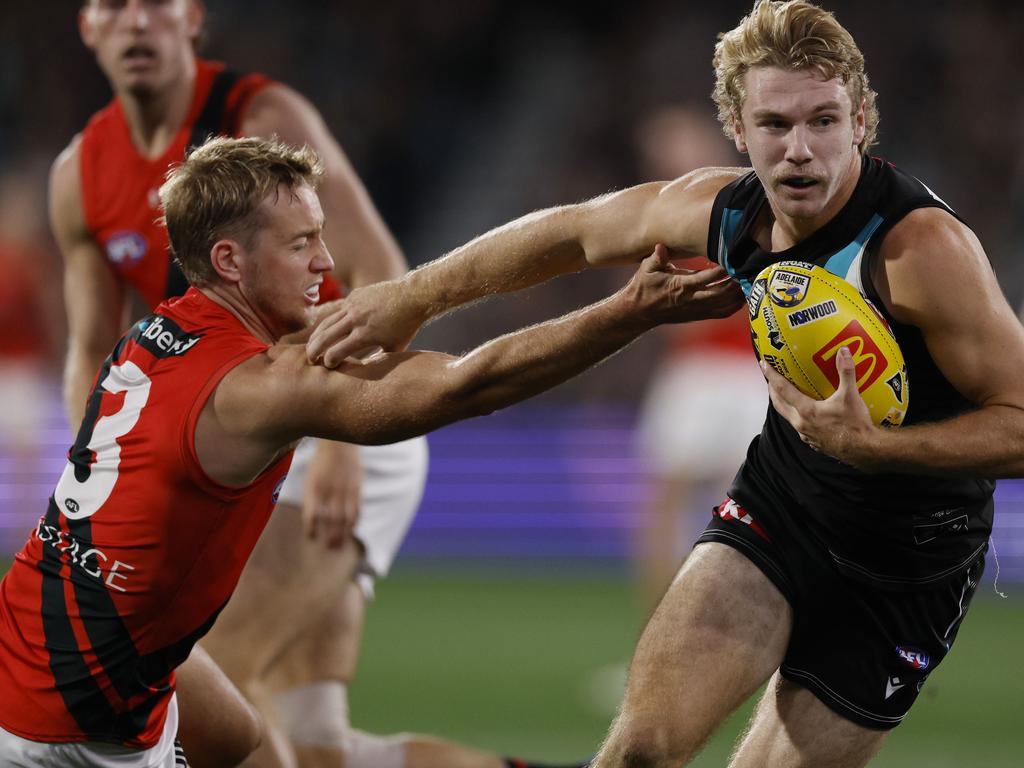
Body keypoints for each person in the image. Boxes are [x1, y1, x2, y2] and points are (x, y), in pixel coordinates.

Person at [306, 2, 1024, 765]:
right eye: (775, 125)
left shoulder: (921, 250)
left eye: (824, 121)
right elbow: (571, 233)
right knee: (637, 754)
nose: (801, 151)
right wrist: (407, 299)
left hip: (909, 566)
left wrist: (875, 448)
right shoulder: (726, 213)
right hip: (785, 507)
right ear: (738, 131)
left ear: (862, 120)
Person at [0, 135, 743, 767]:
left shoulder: (159, 334)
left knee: (252, 742)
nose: (327, 262)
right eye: (301, 245)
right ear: (228, 260)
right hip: (72, 728)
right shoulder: (257, 386)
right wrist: (627, 313)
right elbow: (463, 386)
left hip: (37, 637)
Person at [48, 2, 574, 767]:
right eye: (113, 7)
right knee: (319, 743)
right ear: (86, 26)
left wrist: (337, 446)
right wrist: (87, 477)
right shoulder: (79, 173)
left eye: (155, 6)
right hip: (235, 438)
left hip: (332, 424)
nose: (136, 25)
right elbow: (91, 346)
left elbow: (380, 272)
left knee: (211, 681)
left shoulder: (259, 114)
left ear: (192, 18)